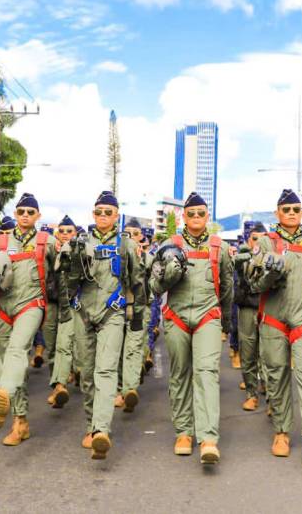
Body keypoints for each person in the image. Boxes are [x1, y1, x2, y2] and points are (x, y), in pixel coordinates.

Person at [245, 189, 302, 465]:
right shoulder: (265, 243)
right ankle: (281, 432)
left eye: (297, 209)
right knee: (277, 376)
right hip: (273, 318)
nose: (292, 214)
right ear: (277, 213)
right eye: (287, 209)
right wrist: (270, 274)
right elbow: (253, 285)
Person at [150, 192, 233, 464]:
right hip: (176, 316)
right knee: (179, 374)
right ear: (183, 216)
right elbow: (153, 287)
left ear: (208, 216)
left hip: (208, 315)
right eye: (191, 213)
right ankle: (184, 431)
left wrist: (226, 324)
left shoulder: (219, 247)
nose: (196, 217)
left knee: (207, 372)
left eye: (201, 213)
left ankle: (209, 438)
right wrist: (167, 276)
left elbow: (228, 288)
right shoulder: (168, 244)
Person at [60, 190, 144, 460]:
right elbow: (64, 279)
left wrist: (137, 317)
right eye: (99, 212)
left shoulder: (126, 245)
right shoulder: (78, 242)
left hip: (113, 313)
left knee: (105, 371)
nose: (103, 216)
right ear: (93, 214)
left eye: (109, 212)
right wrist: (71, 261)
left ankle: (101, 430)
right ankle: (89, 424)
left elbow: (137, 282)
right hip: (83, 312)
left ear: (117, 215)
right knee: (86, 373)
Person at [0, 193, 56, 446]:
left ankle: (1, 391)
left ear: (38, 216)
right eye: (21, 211)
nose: (25, 215)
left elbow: (65, 270)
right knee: (9, 360)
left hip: (32, 304)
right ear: (15, 214)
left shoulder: (47, 241)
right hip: (3, 306)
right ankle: (20, 421)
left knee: (17, 350)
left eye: (30, 212)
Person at [42, 215, 76, 409]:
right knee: (51, 345)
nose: (64, 234)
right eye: (61, 231)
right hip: (51, 302)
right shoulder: (50, 250)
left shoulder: (80, 249)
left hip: (71, 304)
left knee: (65, 344)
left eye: (69, 231)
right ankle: (57, 382)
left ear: (75, 233)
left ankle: (60, 384)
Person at [115, 217, 147, 411]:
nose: (131, 238)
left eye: (135, 234)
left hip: (140, 308)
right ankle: (120, 390)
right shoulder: (117, 254)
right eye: (127, 234)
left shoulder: (149, 257)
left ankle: (129, 390)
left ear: (141, 236)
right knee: (118, 351)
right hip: (117, 308)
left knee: (133, 349)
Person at [234, 222, 265, 411]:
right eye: (255, 238)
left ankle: (271, 395)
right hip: (247, 308)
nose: (258, 242)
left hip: (267, 308)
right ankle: (252, 393)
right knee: (248, 353)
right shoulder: (241, 258)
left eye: (263, 239)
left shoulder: (272, 256)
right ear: (248, 239)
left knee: (269, 354)